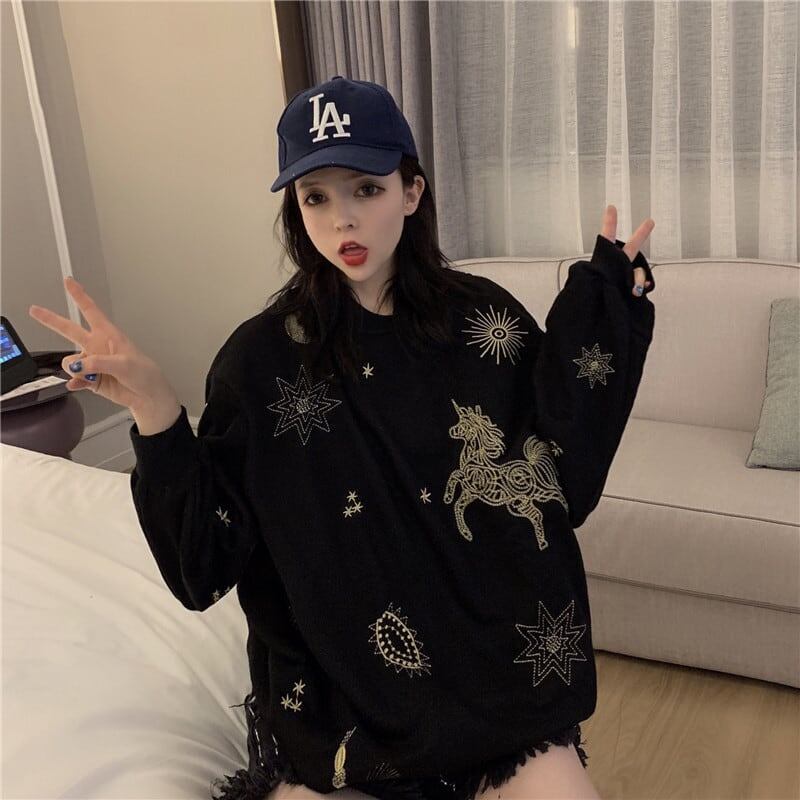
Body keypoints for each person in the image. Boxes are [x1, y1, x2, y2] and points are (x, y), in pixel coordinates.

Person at [28, 75, 655, 800]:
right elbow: (203, 565)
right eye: (315, 197)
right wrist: (156, 413)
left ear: (412, 192)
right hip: (336, 704)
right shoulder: (257, 363)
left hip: (495, 687)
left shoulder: (484, 321)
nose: (342, 220)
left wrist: (607, 304)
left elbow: (559, 468)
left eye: (366, 188)